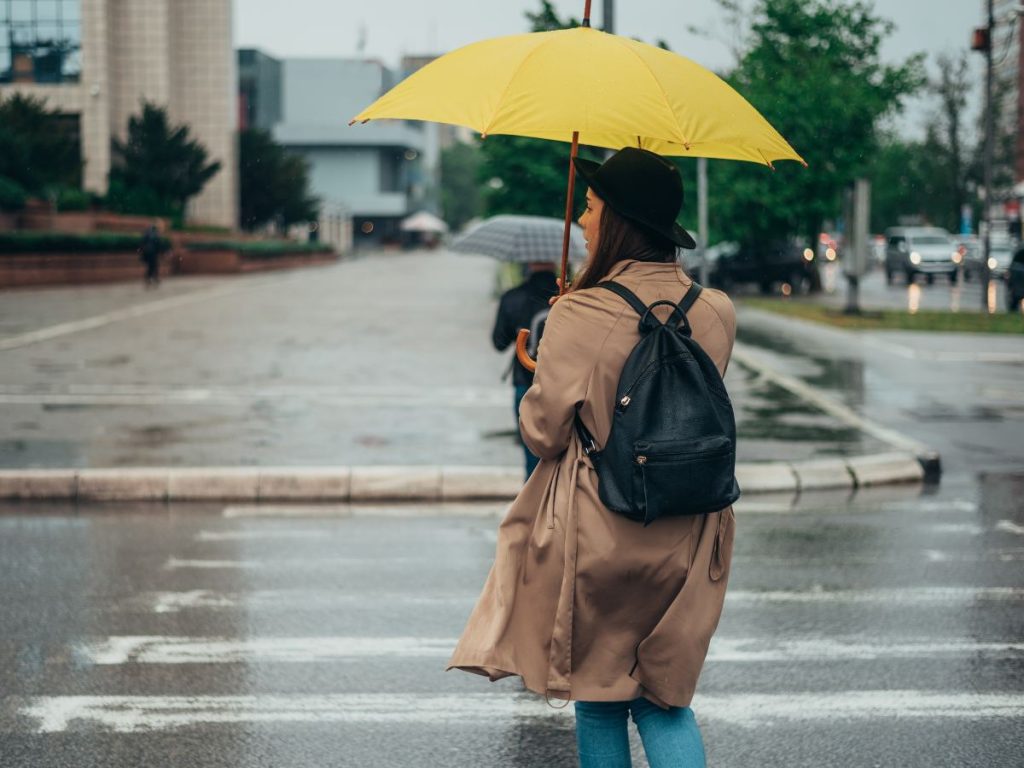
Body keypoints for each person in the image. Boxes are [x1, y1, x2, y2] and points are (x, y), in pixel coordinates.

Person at [449, 147, 738, 768]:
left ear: (619, 221)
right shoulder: (717, 312)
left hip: (604, 531)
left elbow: (546, 433)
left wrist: (543, 364)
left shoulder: (577, 312)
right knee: (665, 701)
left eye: (590, 206)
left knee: (601, 697)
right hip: (691, 534)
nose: (582, 220)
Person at [491, 260, 559, 479]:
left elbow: (499, 343)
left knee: (531, 452)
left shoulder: (513, 297)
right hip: (564, 384)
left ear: (529, 262)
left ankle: (532, 505)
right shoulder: (571, 296)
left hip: (525, 381)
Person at [139, 224, 162, 288]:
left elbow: (142, 243)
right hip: (153, 253)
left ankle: (150, 279)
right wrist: (160, 252)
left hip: (147, 253)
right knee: (154, 266)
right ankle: (152, 278)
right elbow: (158, 244)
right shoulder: (156, 235)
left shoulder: (146, 234)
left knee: (151, 266)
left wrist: (142, 252)